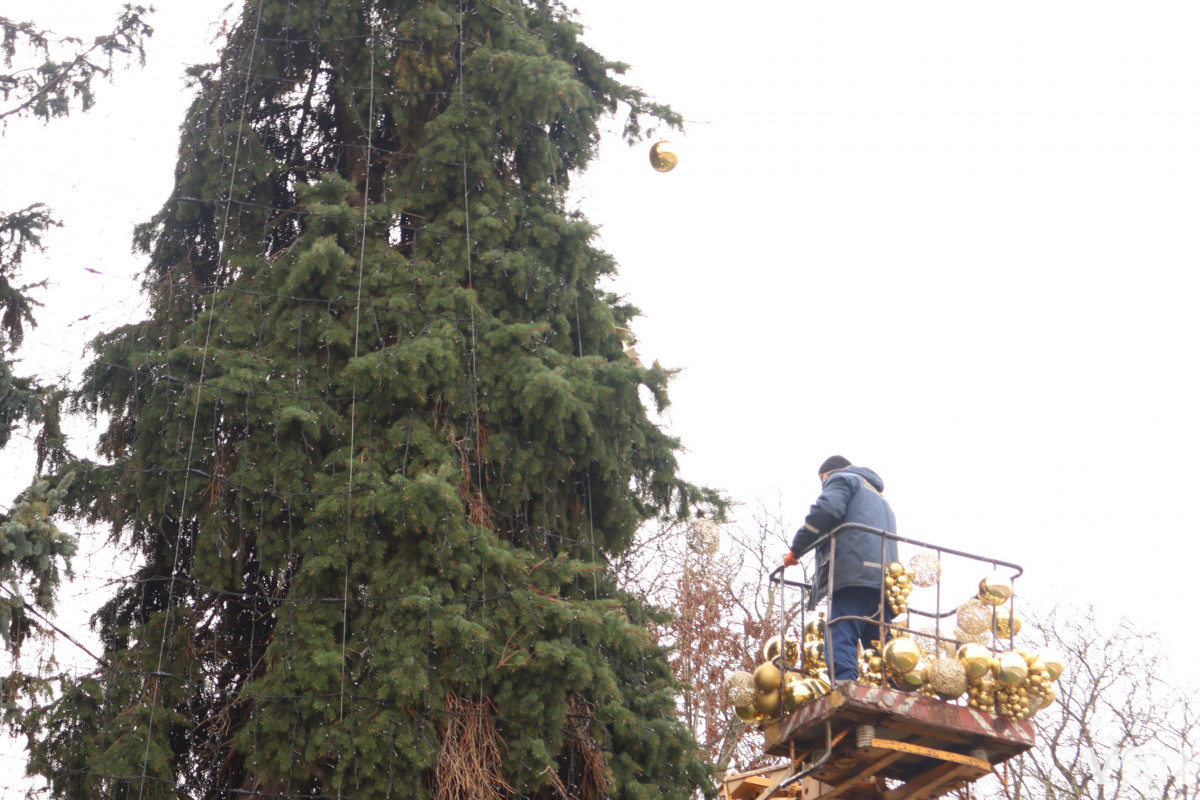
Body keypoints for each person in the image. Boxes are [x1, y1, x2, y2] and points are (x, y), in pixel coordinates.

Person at [782, 455, 898, 683]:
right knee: (879, 644)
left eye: (822, 481)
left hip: (854, 573)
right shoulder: (881, 499)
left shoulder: (842, 480)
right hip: (886, 582)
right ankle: (896, 688)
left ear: (826, 475)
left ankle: (844, 685)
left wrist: (796, 550)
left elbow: (825, 511)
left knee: (840, 632)